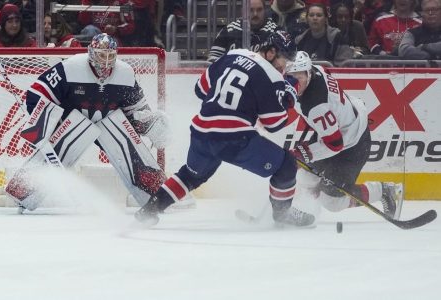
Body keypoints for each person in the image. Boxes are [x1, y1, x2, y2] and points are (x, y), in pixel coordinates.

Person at [135, 30, 315, 227]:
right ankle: (282, 214)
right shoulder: (272, 76)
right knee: (287, 163)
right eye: (284, 59)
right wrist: (289, 96)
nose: (285, 67)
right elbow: (275, 124)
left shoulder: (233, 54)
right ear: (271, 52)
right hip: (234, 139)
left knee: (191, 175)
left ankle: (149, 210)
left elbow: (200, 89)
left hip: (201, 132)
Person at [6, 33, 170, 211]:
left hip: (109, 123)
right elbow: (36, 94)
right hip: (71, 124)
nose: (106, 62)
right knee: (72, 132)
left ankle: (158, 194)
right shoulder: (71, 67)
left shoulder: (126, 74)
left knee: (120, 131)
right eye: (101, 55)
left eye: (110, 56)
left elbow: (137, 110)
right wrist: (45, 125)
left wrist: (148, 123)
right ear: (91, 53)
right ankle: (24, 190)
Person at [283, 51, 402, 218]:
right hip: (339, 127)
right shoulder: (316, 70)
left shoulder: (316, 106)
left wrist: (302, 153)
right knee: (306, 177)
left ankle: (382, 190)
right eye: (290, 77)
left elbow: (335, 144)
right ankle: (318, 200)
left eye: (299, 77)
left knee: (333, 202)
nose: (295, 83)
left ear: (308, 73)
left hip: (353, 143)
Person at [208, 0, 279, 63]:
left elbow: (284, 62)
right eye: (250, 10)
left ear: (264, 10)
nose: (255, 14)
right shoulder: (229, 30)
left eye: (259, 10)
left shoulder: (275, 31)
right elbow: (213, 60)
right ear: (243, 11)